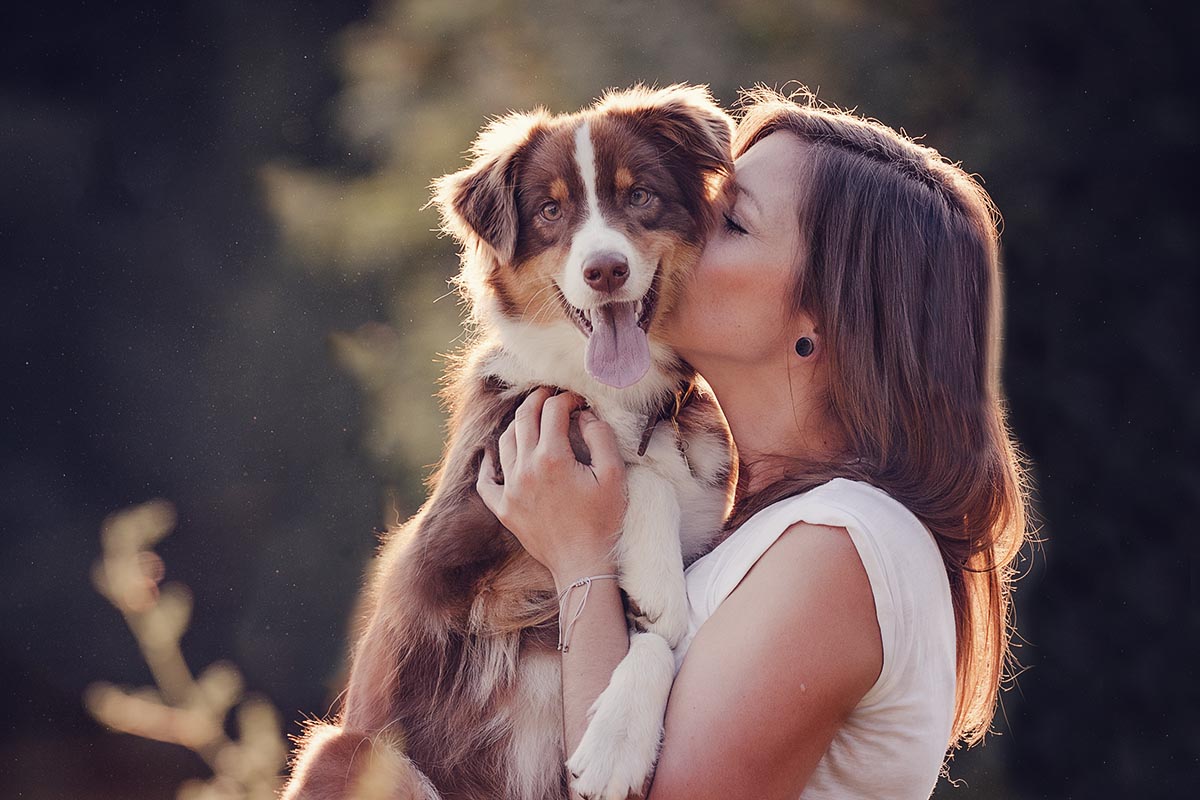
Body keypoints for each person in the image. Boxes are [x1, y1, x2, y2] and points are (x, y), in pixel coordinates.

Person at [475, 88, 1030, 799]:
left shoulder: (843, 546)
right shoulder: (763, 524)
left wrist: (581, 560)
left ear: (825, 314)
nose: (674, 231)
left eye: (731, 222)